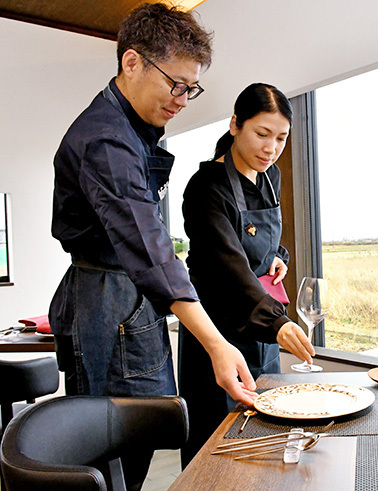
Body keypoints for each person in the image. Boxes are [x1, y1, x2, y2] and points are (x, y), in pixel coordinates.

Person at [48, 4, 256, 489]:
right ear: (132, 63)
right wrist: (216, 344)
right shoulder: (106, 140)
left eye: (192, 87)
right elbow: (149, 246)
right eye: (176, 84)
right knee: (113, 453)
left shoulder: (134, 126)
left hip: (124, 295)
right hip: (107, 300)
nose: (184, 99)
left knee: (133, 441)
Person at [179, 83, 315, 466]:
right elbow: (229, 268)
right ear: (235, 124)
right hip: (218, 329)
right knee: (218, 445)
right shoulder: (206, 187)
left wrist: (278, 256)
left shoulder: (270, 177)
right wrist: (280, 322)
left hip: (262, 332)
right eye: (262, 134)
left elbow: (264, 242)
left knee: (264, 435)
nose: (271, 148)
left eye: (281, 138)